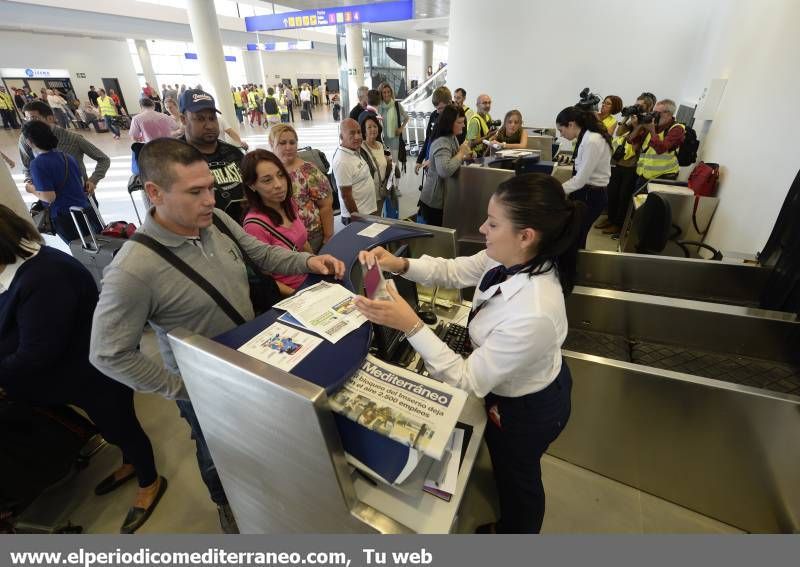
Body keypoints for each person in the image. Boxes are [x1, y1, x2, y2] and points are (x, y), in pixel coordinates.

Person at [89, 138, 345, 533]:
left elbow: (262, 254)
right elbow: (107, 353)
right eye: (195, 192)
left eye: (210, 187)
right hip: (202, 386)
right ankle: (229, 510)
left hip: (249, 358)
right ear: (154, 193)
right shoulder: (133, 270)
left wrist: (310, 259)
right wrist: (183, 388)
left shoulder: (217, 221)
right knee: (216, 455)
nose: (210, 199)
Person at [353, 173, 583, 534]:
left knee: (518, 477)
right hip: (505, 389)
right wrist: (400, 265)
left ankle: (516, 533)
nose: (482, 228)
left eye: (492, 223)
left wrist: (411, 325)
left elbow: (467, 380)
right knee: (506, 465)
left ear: (526, 236)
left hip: (527, 407)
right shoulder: (508, 258)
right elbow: (455, 270)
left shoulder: (535, 311)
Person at [0, 205, 166, 534]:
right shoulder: (20, 271)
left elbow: (37, 353)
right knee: (112, 428)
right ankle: (131, 462)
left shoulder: (44, 275)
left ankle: (150, 480)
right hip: (69, 375)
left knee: (120, 426)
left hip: (94, 373)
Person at [241, 150, 312, 296]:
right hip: (292, 294)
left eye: (280, 175)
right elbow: (265, 278)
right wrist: (298, 296)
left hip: (309, 279)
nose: (279, 185)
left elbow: (302, 243)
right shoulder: (254, 225)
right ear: (252, 185)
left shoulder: (289, 203)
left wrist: (317, 266)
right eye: (267, 180)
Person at [21, 120, 102, 243]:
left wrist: (30, 188)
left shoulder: (37, 164)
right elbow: (81, 183)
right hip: (85, 210)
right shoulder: (67, 157)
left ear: (29, 142)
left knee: (80, 250)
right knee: (97, 247)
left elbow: (49, 197)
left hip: (65, 216)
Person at [178, 89, 247, 222]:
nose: (209, 125)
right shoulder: (174, 159)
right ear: (183, 119)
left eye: (212, 118)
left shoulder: (234, 153)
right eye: (200, 119)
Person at [19, 100, 110, 199]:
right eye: (26, 118)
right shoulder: (26, 139)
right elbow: (26, 166)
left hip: (80, 194)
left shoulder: (73, 139)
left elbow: (103, 159)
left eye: (33, 118)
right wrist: (31, 183)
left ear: (50, 118)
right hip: (52, 199)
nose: (29, 123)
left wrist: (93, 180)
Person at [269, 124, 334, 252]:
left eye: (292, 142)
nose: (288, 147)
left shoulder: (308, 171)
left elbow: (326, 205)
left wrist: (328, 237)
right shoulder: (268, 171)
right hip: (281, 237)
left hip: (311, 236)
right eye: (282, 143)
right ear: (271, 144)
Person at [556, 106, 613, 248]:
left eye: (561, 130)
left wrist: (556, 190)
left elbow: (580, 179)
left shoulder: (592, 140)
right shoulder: (585, 137)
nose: (561, 135)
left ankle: (573, 269)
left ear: (571, 124)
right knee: (575, 235)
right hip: (586, 192)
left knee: (576, 237)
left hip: (591, 195)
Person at [597, 94, 654, 235]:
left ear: (648, 108)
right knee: (612, 192)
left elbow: (637, 145)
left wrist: (637, 125)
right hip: (619, 161)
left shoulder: (648, 122)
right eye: (636, 104)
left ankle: (618, 224)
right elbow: (620, 132)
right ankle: (610, 219)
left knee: (624, 196)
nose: (637, 107)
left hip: (632, 164)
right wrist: (627, 116)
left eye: (640, 106)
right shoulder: (634, 118)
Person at [418, 105, 471, 226]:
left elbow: (451, 158)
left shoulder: (451, 138)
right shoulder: (442, 142)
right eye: (460, 122)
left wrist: (462, 155)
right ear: (450, 123)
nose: (463, 125)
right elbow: (445, 170)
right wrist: (461, 153)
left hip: (442, 200)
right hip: (433, 203)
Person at [628, 98, 686, 188]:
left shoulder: (677, 129)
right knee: (637, 200)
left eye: (657, 113)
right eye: (653, 112)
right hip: (644, 174)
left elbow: (661, 149)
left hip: (663, 177)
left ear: (668, 114)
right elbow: (632, 141)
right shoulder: (653, 125)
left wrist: (652, 130)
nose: (654, 116)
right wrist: (638, 126)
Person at [332, 118, 378, 224]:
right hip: (359, 217)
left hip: (368, 211)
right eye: (352, 133)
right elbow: (346, 196)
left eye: (359, 132)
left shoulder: (354, 150)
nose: (357, 137)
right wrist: (358, 219)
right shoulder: (342, 161)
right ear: (341, 137)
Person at [359, 113, 393, 216]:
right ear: (364, 131)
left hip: (381, 191)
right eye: (369, 127)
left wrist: (388, 162)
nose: (373, 129)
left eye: (375, 126)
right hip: (368, 194)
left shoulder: (380, 145)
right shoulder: (361, 148)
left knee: (378, 218)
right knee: (369, 222)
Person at [377, 82, 408, 190]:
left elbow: (406, 117)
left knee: (394, 163)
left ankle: (396, 187)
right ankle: (388, 186)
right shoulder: (379, 107)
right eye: (384, 92)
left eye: (388, 92)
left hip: (395, 139)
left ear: (391, 93)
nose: (386, 94)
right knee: (385, 164)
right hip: (383, 139)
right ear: (381, 94)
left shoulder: (396, 105)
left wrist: (401, 128)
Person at [415, 86, 452, 176]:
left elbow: (453, 146)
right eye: (436, 108)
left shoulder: (456, 118)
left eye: (441, 108)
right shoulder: (434, 115)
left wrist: (432, 160)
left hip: (443, 164)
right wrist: (419, 160)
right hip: (429, 162)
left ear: (450, 103)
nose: (438, 111)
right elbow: (428, 138)